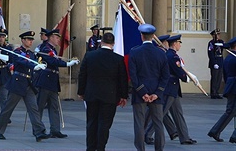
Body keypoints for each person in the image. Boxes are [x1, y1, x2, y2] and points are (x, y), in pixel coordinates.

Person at [78, 32, 128, 151]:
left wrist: (81, 91)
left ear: (101, 42)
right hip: (110, 96)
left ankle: (90, 148)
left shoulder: (89, 56)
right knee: (104, 124)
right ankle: (101, 148)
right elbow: (123, 79)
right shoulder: (118, 59)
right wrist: (123, 95)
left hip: (91, 94)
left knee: (91, 122)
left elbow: (82, 74)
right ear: (113, 44)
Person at [0, 31, 48, 142]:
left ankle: (39, 132)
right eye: (28, 39)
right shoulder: (17, 52)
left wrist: (39, 65)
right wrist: (35, 66)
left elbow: (33, 62)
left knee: (34, 109)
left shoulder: (32, 54)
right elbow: (24, 62)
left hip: (28, 83)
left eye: (32, 39)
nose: (31, 41)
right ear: (23, 40)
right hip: (18, 83)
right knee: (8, 109)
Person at [128, 23, 170, 151]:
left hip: (140, 93)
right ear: (153, 37)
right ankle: (159, 148)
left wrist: (143, 92)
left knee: (139, 124)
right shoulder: (161, 53)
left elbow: (133, 76)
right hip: (156, 94)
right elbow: (165, 76)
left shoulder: (134, 52)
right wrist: (157, 93)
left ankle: (140, 149)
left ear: (142, 36)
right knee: (158, 123)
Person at [34, 28, 79, 138]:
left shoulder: (52, 49)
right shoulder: (45, 48)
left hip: (52, 80)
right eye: (56, 37)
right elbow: (52, 61)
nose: (58, 39)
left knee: (54, 106)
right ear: (51, 38)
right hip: (45, 79)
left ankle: (55, 129)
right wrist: (68, 64)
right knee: (39, 106)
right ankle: (37, 129)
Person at [163, 35, 197, 145]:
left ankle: (184, 137)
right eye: (179, 43)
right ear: (174, 44)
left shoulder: (170, 55)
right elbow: (179, 72)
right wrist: (188, 78)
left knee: (178, 113)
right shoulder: (173, 57)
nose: (180, 45)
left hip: (173, 88)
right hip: (170, 87)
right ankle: (147, 134)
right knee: (161, 113)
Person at [208, 36, 236, 143]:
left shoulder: (228, 59)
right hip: (234, 87)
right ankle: (217, 131)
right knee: (230, 111)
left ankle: (217, 131)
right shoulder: (233, 59)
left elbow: (225, 75)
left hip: (230, 86)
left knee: (230, 111)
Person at [208, 29, 224, 99]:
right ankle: (213, 92)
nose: (219, 35)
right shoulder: (211, 43)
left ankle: (217, 92)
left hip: (220, 61)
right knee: (214, 78)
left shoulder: (221, 42)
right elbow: (210, 53)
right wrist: (214, 63)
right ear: (214, 35)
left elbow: (225, 46)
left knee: (219, 78)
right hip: (215, 61)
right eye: (218, 34)